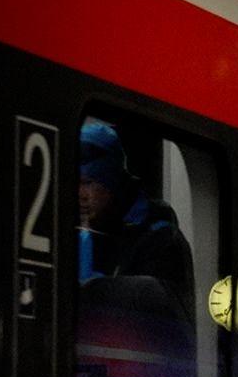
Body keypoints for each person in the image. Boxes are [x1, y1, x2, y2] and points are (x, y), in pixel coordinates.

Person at [77, 118, 194, 322]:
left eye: (88, 183)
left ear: (111, 182)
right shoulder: (82, 231)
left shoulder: (160, 238)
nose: (80, 194)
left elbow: (158, 318)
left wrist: (96, 291)